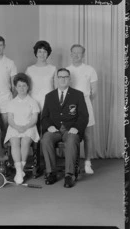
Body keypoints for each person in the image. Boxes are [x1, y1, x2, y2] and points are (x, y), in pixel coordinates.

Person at [41, 68, 88, 188]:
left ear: (70, 79)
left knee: (72, 139)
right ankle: (51, 172)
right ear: (56, 79)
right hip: (55, 130)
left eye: (66, 77)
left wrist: (77, 127)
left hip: (70, 129)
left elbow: (84, 116)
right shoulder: (49, 96)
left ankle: (69, 175)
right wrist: (49, 126)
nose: (63, 79)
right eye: (60, 77)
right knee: (45, 139)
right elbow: (44, 117)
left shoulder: (78, 94)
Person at [66, 44, 98, 174]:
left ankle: (87, 163)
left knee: (88, 135)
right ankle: (73, 163)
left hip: (85, 102)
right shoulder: (66, 70)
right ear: (71, 54)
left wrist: (84, 102)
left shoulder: (90, 70)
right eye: (74, 52)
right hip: (70, 105)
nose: (76, 55)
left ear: (83, 55)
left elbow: (94, 91)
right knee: (72, 134)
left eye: (79, 53)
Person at [4, 73, 40, 184]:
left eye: (24, 85)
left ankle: (20, 170)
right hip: (14, 127)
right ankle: (19, 171)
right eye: (19, 86)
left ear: (28, 87)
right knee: (14, 141)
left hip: (29, 127)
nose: (21, 88)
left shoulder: (33, 102)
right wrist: (17, 127)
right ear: (15, 87)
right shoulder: (11, 102)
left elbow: (34, 119)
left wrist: (25, 127)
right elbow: (10, 119)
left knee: (25, 141)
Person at [25, 40, 56, 112]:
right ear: (36, 53)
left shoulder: (53, 69)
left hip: (49, 102)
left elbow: (56, 88)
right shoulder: (29, 69)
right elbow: (26, 88)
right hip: (33, 102)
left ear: (48, 53)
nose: (42, 54)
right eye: (40, 51)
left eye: (45, 52)